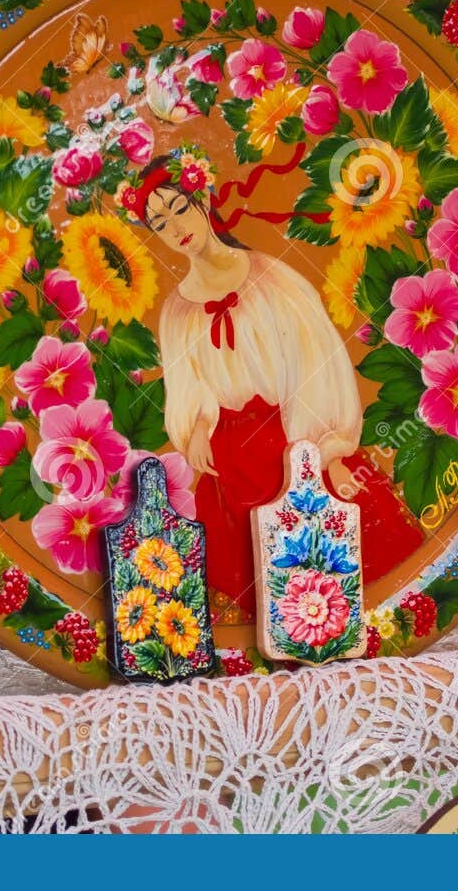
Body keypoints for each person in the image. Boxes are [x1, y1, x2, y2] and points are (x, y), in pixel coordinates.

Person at [126, 151, 424, 618]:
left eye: (180, 208)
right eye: (160, 222)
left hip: (292, 442)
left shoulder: (269, 275)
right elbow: (192, 382)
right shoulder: (177, 311)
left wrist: (328, 449)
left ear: (202, 198)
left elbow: (314, 363)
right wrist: (198, 425)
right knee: (256, 585)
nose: (176, 227)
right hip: (231, 461)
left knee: (329, 569)